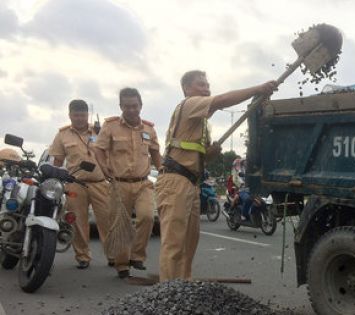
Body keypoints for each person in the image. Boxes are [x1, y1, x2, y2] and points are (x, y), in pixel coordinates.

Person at [156, 70, 276, 281]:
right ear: (186, 89)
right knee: (174, 244)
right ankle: (167, 293)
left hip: (192, 181)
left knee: (189, 243)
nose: (206, 88)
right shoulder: (189, 104)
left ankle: (183, 288)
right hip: (175, 180)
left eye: (207, 85)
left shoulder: (201, 125)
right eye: (200, 84)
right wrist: (257, 89)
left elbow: (200, 159)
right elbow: (221, 101)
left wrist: (209, 154)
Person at [93, 88, 161, 278]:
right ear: (121, 106)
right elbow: (99, 149)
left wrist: (163, 171)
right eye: (127, 106)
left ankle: (137, 256)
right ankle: (122, 264)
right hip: (119, 184)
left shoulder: (149, 129)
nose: (131, 110)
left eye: (135, 106)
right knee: (120, 223)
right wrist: (103, 166)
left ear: (141, 105)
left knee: (147, 217)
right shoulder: (111, 126)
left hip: (143, 183)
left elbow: (155, 154)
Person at [48, 100, 112, 269]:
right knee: (77, 222)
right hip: (75, 183)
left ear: (87, 115)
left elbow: (111, 153)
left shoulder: (100, 131)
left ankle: (112, 255)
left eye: (83, 115)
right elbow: (58, 161)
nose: (79, 119)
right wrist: (55, 181)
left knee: (107, 220)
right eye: (76, 115)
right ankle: (83, 256)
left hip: (100, 183)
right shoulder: (62, 135)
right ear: (70, 115)